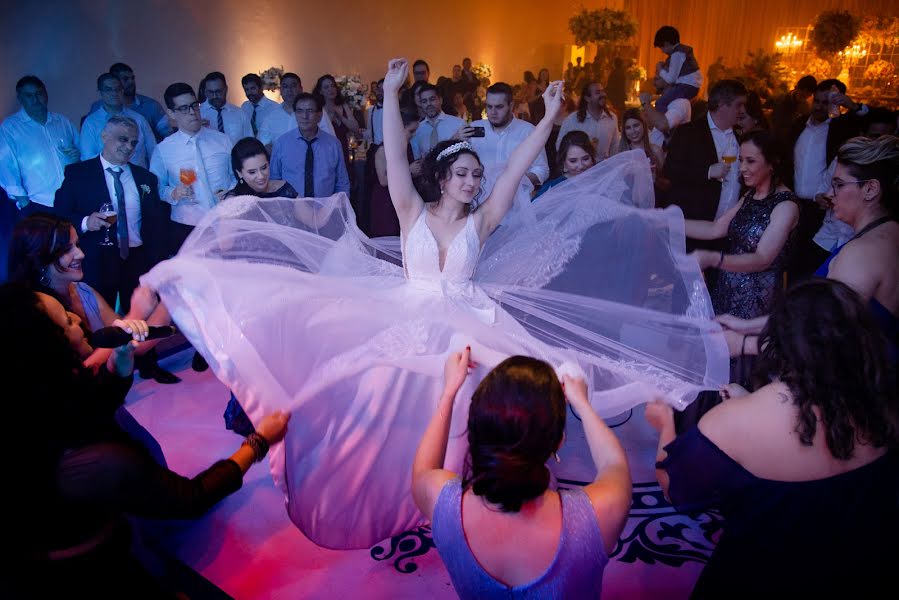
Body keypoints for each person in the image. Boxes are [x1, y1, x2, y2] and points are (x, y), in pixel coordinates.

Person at [142, 58, 728, 550]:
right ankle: (402, 484)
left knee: (476, 411)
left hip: (468, 321)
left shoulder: (487, 218)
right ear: (445, 177)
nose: (475, 181)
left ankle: (452, 497)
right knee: (382, 399)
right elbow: (395, 159)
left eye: (478, 175)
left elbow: (519, 166)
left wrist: (548, 115)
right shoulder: (410, 211)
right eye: (466, 173)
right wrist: (391, 97)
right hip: (409, 313)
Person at [1, 283, 290, 598]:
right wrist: (259, 441)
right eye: (67, 322)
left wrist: (120, 366)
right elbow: (191, 498)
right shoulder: (100, 461)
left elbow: (87, 409)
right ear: (47, 349)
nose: (76, 317)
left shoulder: (35, 399)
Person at [647, 279, 899, 598]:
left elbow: (673, 487)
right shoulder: (884, 405)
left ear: (782, 344)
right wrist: (747, 401)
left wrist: (665, 422)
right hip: (860, 569)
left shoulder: (734, 422)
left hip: (762, 577)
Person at [412, 350, 631, 598]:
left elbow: (424, 470)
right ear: (559, 442)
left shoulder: (444, 502)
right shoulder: (597, 515)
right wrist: (581, 402)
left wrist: (449, 391)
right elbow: (614, 464)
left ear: (473, 433)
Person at [718, 135, 899, 361]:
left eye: (839, 185)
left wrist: (743, 343)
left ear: (871, 190)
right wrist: (747, 325)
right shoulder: (890, 232)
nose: (830, 194)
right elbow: (816, 315)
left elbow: (821, 337)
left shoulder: (861, 253)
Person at [8, 211, 179, 383]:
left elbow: (129, 343)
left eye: (77, 245)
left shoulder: (83, 291)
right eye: (68, 249)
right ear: (40, 260)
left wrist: (171, 298)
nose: (81, 254)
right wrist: (136, 313)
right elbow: (76, 377)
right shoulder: (35, 312)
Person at [686, 129, 799, 387]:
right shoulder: (751, 195)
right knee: (716, 353)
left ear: (772, 163)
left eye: (751, 161)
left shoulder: (786, 206)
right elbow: (716, 229)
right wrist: (667, 220)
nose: (742, 168)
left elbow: (762, 258)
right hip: (726, 290)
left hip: (756, 300)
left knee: (740, 364)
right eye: (741, 160)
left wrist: (713, 259)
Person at [150, 82, 236, 254]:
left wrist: (231, 193)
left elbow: (237, 176)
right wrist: (173, 193)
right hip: (187, 225)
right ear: (171, 113)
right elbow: (156, 187)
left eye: (194, 105)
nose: (192, 112)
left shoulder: (223, 141)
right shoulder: (164, 150)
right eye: (183, 108)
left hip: (225, 221)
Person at [662, 80, 747, 249]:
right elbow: (670, 170)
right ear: (722, 104)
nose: (743, 111)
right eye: (739, 105)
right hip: (695, 229)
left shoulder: (740, 137)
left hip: (728, 231)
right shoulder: (689, 132)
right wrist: (707, 171)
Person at [0, 75, 80, 213]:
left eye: (39, 94)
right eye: (29, 95)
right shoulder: (10, 127)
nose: (35, 99)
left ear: (46, 94)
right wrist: (24, 203)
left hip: (72, 199)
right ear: (20, 98)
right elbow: (6, 166)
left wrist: (77, 158)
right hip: (39, 203)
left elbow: (80, 153)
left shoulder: (62, 121)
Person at [464, 82, 549, 201]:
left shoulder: (528, 131)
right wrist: (456, 139)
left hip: (516, 202)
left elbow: (542, 169)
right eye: (489, 106)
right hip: (478, 201)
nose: (493, 112)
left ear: (511, 105)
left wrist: (516, 183)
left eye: (499, 107)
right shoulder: (474, 128)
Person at [270, 92, 349, 198]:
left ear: (319, 116)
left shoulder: (333, 144)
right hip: (290, 209)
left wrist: (336, 209)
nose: (304, 116)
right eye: (299, 111)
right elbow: (274, 180)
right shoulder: (281, 143)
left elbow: (342, 183)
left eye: (310, 111)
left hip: (325, 209)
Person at [80, 73, 156, 169]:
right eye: (108, 89)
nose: (114, 93)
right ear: (100, 92)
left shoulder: (139, 119)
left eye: (118, 89)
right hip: (106, 179)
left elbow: (153, 152)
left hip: (138, 178)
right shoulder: (91, 123)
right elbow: (87, 158)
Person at [86, 62, 169, 141]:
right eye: (125, 79)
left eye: (132, 78)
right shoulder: (98, 107)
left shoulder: (151, 105)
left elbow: (168, 135)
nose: (131, 82)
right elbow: (90, 138)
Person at [369, 108, 418, 236]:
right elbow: (383, 180)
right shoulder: (383, 150)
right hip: (386, 200)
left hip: (404, 197)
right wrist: (410, 170)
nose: (413, 135)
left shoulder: (407, 146)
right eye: (411, 131)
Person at [556, 81, 619, 162]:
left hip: (604, 169)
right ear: (587, 98)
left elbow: (615, 146)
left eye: (603, 91)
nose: (603, 94)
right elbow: (560, 146)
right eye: (598, 92)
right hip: (580, 169)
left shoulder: (612, 118)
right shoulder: (573, 120)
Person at [313, 74, 362, 168]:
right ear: (320, 91)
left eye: (332, 86)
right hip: (325, 151)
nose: (330, 89)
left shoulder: (343, 105)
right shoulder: (318, 109)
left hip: (343, 148)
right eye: (326, 87)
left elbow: (355, 128)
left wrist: (340, 116)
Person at [226, 137, 298, 199]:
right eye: (252, 172)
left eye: (264, 168)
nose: (261, 176)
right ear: (239, 173)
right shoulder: (233, 200)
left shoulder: (283, 189)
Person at [653, 25, 702, 113]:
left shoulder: (677, 54)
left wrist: (660, 69)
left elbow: (671, 79)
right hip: (690, 86)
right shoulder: (681, 51)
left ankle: (664, 123)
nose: (662, 51)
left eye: (662, 48)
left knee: (660, 103)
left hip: (686, 86)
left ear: (666, 43)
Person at [410, 83, 467, 159]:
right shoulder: (417, 130)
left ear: (440, 100)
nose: (428, 104)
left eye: (432, 99)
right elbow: (417, 159)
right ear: (421, 104)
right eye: (424, 101)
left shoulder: (458, 124)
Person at [533, 130, 595, 199]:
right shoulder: (552, 188)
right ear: (564, 164)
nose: (580, 166)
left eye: (585, 159)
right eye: (573, 161)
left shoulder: (602, 180)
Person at [200, 72, 253, 146]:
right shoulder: (198, 114)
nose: (215, 96)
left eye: (218, 91)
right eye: (211, 92)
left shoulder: (240, 114)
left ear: (226, 89)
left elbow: (250, 143)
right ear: (205, 92)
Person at [257, 73, 303, 148]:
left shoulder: (313, 111)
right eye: (285, 87)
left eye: (293, 86)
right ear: (280, 91)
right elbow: (262, 142)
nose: (290, 90)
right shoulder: (271, 116)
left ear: (301, 89)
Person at [619, 108, 664, 177]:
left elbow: (665, 181)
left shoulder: (656, 151)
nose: (633, 131)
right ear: (624, 131)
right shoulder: (623, 154)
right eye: (628, 128)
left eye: (636, 125)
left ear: (643, 125)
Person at [240, 73, 281, 138]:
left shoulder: (274, 108)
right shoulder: (244, 107)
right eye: (246, 90)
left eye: (253, 88)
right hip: (248, 145)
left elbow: (278, 132)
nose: (250, 93)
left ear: (261, 87)